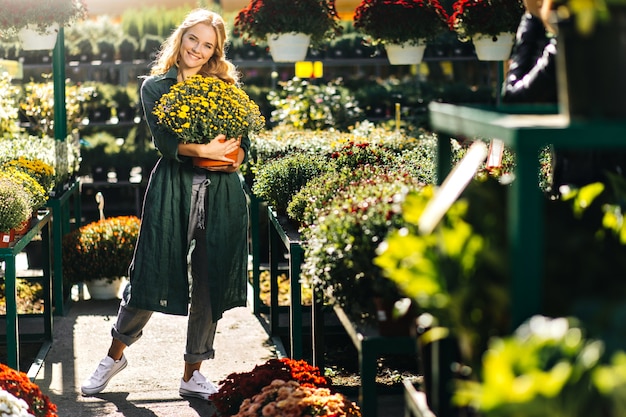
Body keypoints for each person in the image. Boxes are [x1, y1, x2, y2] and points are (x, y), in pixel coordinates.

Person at [80, 8, 250, 400]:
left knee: (209, 281)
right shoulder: (156, 87)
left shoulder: (226, 87)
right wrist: (206, 149)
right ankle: (114, 355)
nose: (198, 49)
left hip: (221, 193)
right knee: (150, 271)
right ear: (182, 36)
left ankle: (192, 373)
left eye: (208, 45)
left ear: (215, 51)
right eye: (194, 39)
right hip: (173, 189)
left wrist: (229, 154)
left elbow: (242, 147)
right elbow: (166, 143)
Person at [503, 0, 626, 195]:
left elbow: (514, 98)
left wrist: (531, 19)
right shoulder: (615, 33)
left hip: (586, 189)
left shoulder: (573, 43)